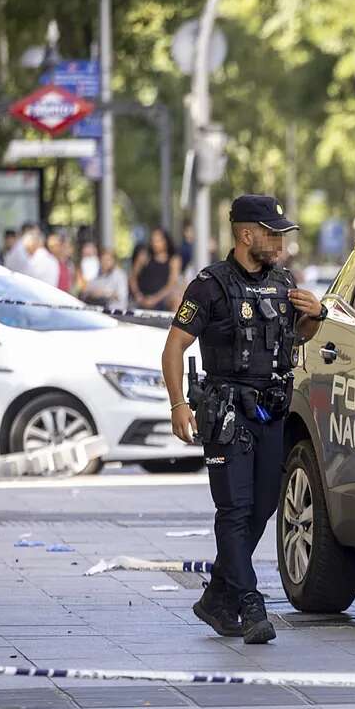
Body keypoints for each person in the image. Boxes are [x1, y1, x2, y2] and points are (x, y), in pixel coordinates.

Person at [160, 195, 325, 644]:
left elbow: (296, 337)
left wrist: (315, 315)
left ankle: (217, 596)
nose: (280, 242)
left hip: (271, 409)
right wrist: (178, 404)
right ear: (246, 234)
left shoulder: (282, 282)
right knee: (234, 510)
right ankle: (250, 603)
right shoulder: (209, 285)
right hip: (226, 411)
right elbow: (174, 347)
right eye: (272, 234)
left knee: (265, 505)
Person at [130, 228, 182, 310]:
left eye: (158, 241)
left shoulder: (174, 259)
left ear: (166, 241)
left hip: (162, 299)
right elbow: (133, 278)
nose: (155, 244)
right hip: (142, 298)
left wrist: (154, 299)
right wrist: (138, 295)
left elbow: (171, 284)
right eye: (153, 240)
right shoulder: (144, 256)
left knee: (177, 299)